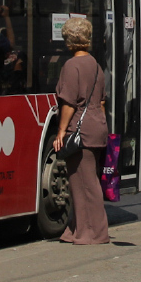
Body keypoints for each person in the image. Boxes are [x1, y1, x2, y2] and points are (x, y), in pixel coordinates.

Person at [52, 17, 109, 245]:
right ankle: (77, 230)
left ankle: (93, 233)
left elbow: (68, 103)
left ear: (69, 40)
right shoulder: (95, 65)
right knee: (86, 180)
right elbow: (102, 102)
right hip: (97, 127)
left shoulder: (71, 66)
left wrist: (60, 132)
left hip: (80, 130)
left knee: (84, 183)